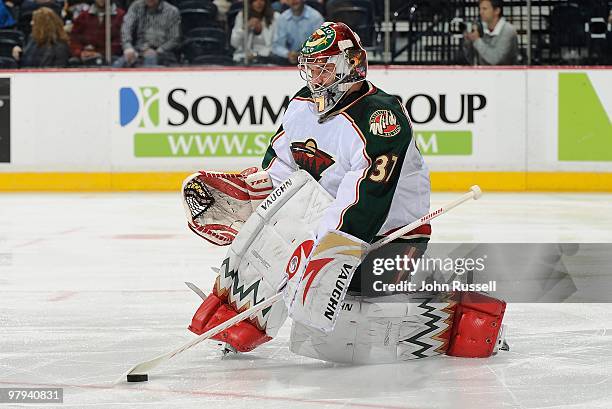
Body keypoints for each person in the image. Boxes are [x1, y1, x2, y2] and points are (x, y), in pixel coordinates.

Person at [182, 22, 507, 363]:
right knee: (265, 257)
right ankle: (239, 323)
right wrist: (253, 197)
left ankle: (465, 317)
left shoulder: (381, 118)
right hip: (322, 226)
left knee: (341, 322)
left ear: (352, 64)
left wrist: (320, 249)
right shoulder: (302, 106)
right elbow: (282, 169)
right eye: (311, 69)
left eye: (325, 68)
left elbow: (365, 200)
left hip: (392, 238)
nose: (316, 78)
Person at [114, 0, 180, 67]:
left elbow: (174, 38)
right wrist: (128, 47)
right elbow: (126, 27)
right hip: (139, 50)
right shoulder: (136, 6)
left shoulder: (172, 11)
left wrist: (158, 51)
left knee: (150, 59)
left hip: (163, 53)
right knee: (119, 64)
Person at [463, 0, 518, 65]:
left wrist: (476, 40)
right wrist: (468, 41)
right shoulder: (481, 28)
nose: (481, 12)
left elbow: (495, 60)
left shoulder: (508, 30)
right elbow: (472, 60)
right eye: (480, 9)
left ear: (497, 11)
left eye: (484, 9)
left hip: (504, 74)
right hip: (484, 73)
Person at [70, 0, 125, 65]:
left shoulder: (120, 16)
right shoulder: (83, 16)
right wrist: (80, 52)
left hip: (110, 58)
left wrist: (101, 53)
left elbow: (121, 40)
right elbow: (74, 38)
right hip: (86, 57)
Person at [271, 0, 322, 65]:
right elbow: (277, 45)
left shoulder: (316, 17)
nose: (293, 1)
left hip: (311, 59)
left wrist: (304, 54)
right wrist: (288, 54)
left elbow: (320, 44)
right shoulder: (282, 18)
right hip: (288, 60)